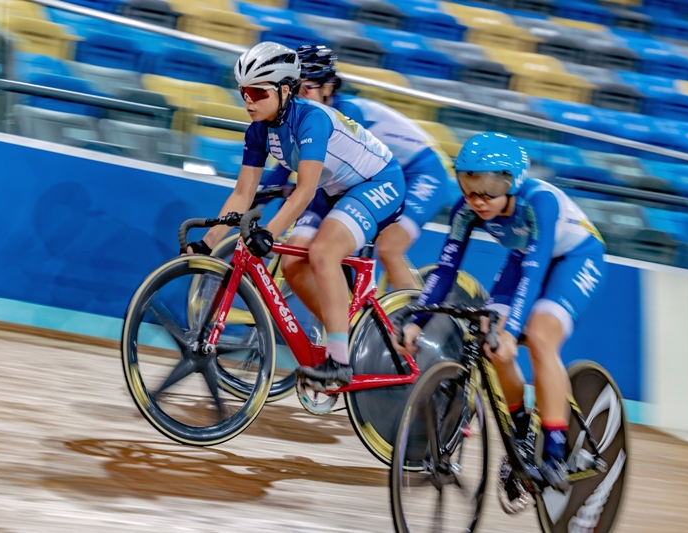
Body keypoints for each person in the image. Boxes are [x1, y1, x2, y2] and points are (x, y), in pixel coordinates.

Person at [183, 42, 405, 388]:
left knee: (323, 252)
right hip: (336, 190)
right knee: (292, 266)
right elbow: (243, 193)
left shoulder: (311, 118)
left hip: (379, 182)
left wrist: (268, 232)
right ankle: (349, 336)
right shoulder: (258, 130)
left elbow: (304, 190)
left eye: (257, 92)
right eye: (243, 91)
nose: (248, 101)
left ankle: (340, 361)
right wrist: (207, 243)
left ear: (285, 90)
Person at [394, 132, 606, 493]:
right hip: (524, 258)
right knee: (491, 341)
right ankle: (521, 430)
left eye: (491, 186)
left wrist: (513, 331)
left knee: (539, 336)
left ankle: (555, 450)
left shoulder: (539, 201)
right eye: (469, 184)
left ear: (514, 181)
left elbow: (535, 271)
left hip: (574, 257)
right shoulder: (466, 211)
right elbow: (445, 270)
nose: (478, 198)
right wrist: (417, 321)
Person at [262, 44, 455, 289]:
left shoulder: (347, 113)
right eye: (291, 90)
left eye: (305, 88)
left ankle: (414, 321)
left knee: (388, 247)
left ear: (328, 87)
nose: (297, 98)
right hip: (375, 175)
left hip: (422, 172)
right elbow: (286, 167)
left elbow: (356, 180)